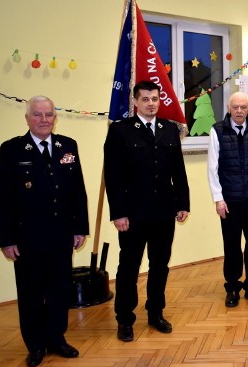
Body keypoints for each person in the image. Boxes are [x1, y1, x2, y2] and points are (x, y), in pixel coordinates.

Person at [0, 96, 89, 366]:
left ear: (55, 117)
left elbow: (77, 192)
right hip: (28, 238)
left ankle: (57, 339)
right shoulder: (12, 149)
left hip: (61, 235)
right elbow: (1, 199)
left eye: (48, 114)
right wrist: (6, 238)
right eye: (37, 115)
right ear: (27, 118)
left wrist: (79, 227)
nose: (44, 119)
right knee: (31, 292)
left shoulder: (67, 146)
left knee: (60, 290)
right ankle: (35, 344)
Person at [104, 81, 190, 342]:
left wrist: (183, 203)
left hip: (164, 212)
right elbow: (113, 176)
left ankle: (155, 312)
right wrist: (118, 213)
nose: (151, 103)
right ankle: (124, 319)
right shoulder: (121, 131)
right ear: (136, 102)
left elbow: (178, 170)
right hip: (133, 214)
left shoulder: (168, 130)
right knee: (128, 267)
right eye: (146, 99)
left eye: (155, 98)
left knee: (160, 265)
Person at [207, 91, 248, 308]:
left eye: (243, 107)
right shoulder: (217, 131)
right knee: (232, 247)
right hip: (230, 202)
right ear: (229, 108)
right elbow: (212, 169)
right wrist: (218, 199)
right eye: (235, 107)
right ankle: (233, 288)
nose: (239, 111)